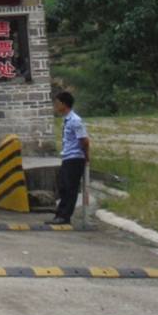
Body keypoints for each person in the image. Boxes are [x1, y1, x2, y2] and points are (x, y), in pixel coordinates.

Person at [52, 90, 90, 224]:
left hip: (75, 158)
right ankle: (60, 214)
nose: (55, 106)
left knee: (70, 188)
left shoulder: (75, 121)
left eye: (57, 103)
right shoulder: (67, 120)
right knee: (62, 186)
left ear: (64, 104)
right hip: (67, 157)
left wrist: (86, 156)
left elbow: (84, 140)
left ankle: (65, 216)